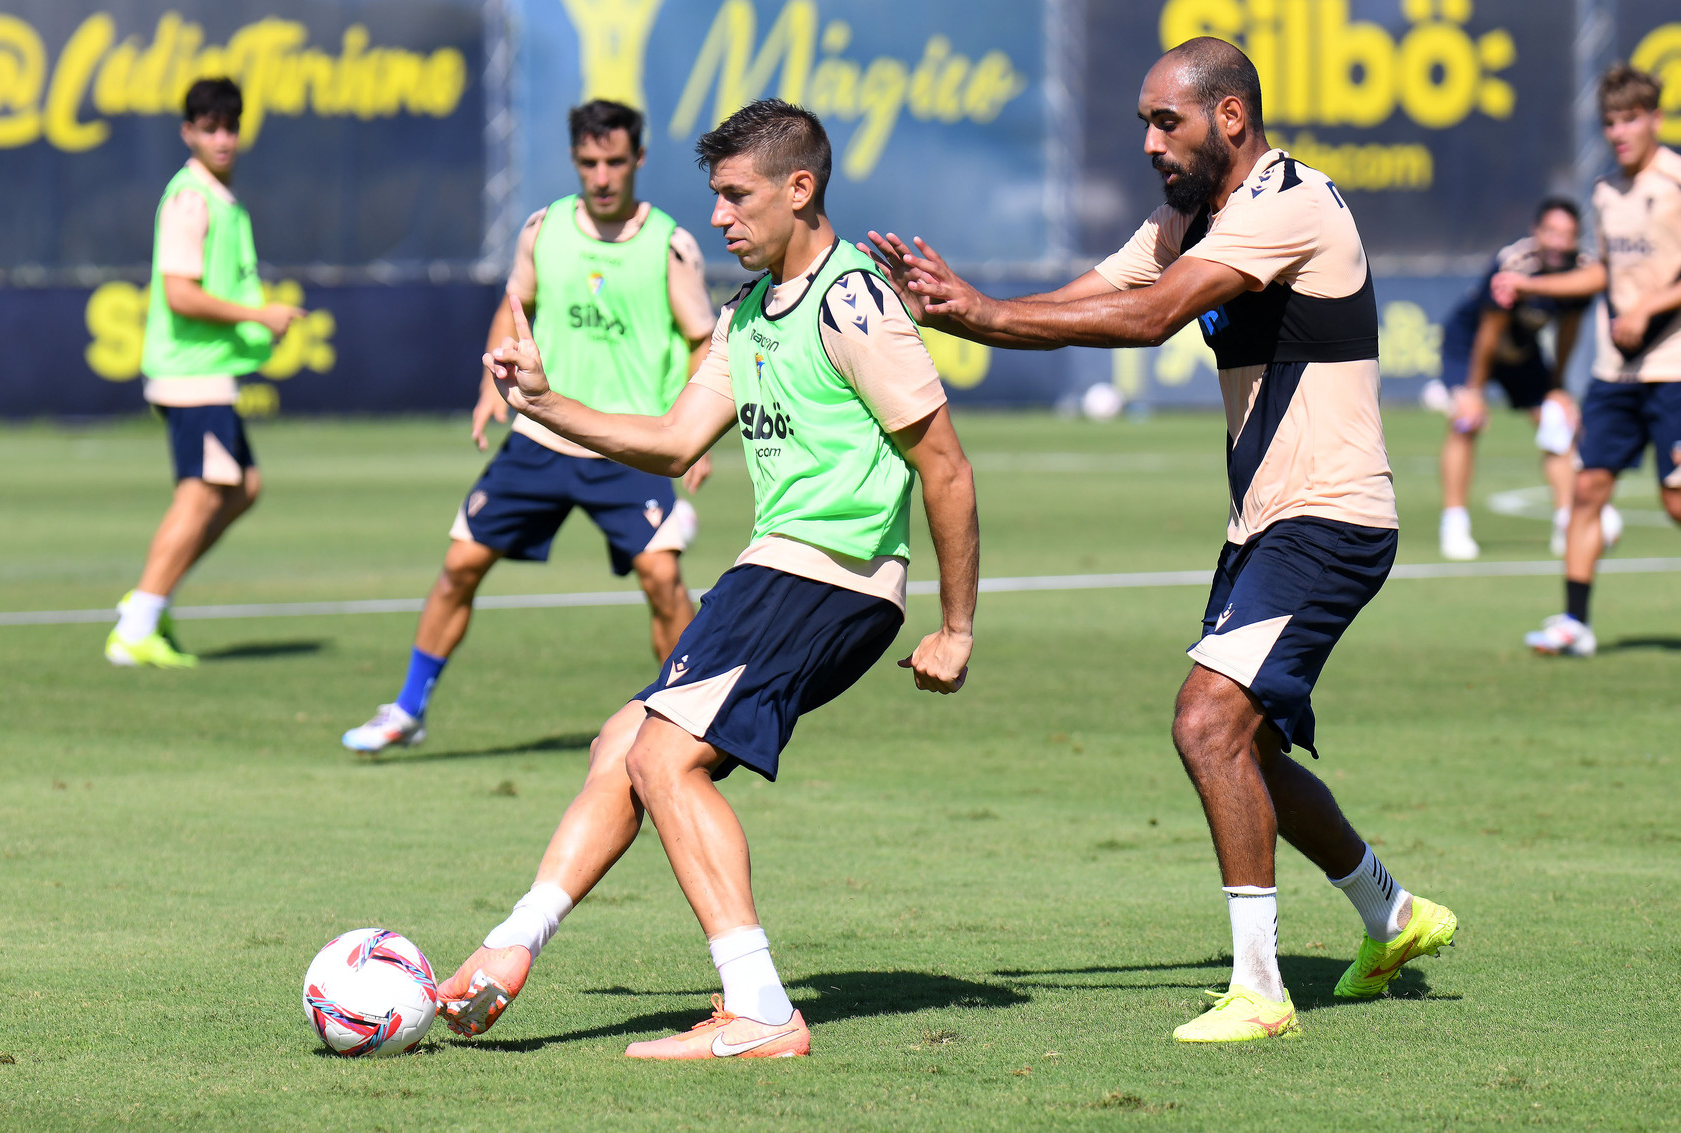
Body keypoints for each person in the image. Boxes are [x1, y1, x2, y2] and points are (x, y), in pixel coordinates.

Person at [866, 38, 1454, 1043]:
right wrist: (966, 314)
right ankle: (1391, 912)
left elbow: (1148, 318)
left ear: (1230, 116)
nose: (1147, 142)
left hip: (1329, 519)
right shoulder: (1191, 214)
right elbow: (1088, 297)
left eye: (1164, 121)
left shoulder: (1289, 202)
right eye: (1142, 122)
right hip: (1265, 525)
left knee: (1203, 723)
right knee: (1247, 748)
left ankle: (1260, 990)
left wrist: (984, 312)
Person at [433, 100, 979, 1059]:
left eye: (736, 195)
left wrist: (956, 625)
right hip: (773, 571)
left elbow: (946, 465)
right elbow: (673, 439)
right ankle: (512, 942)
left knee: (662, 758)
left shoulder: (852, 301)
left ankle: (760, 1008)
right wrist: (543, 402)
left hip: (830, 573)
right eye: (715, 196)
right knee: (623, 742)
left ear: (799, 189)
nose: (719, 216)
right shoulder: (747, 313)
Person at [342, 100, 716, 752]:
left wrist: (697, 429)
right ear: (575, 160)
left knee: (662, 580)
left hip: (628, 445)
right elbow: (516, 307)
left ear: (638, 160)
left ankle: (690, 722)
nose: (602, 176)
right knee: (460, 564)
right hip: (541, 438)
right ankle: (407, 709)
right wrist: (490, 384)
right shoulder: (543, 230)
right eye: (589, 162)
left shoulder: (670, 245)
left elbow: (702, 340)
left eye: (615, 161)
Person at [106, 78, 304, 668]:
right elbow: (180, 294)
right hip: (190, 373)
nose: (222, 139)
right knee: (201, 495)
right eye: (210, 128)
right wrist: (259, 315)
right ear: (188, 132)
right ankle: (138, 623)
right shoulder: (191, 199)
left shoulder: (219, 196)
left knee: (242, 488)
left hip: (211, 371)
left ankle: (150, 597)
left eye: (230, 127)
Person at [1498, 64, 1681, 658]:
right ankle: (1574, 623)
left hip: (1673, 368)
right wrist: (1532, 285)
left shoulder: (1675, 181)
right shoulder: (1605, 192)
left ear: (1655, 119)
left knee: (1676, 501)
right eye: (1610, 122)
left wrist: (1647, 307)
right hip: (1615, 372)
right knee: (1587, 489)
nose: (1619, 132)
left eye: (1630, 119)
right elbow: (1604, 272)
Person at [1437, 199, 1612, 561]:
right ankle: (1454, 523)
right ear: (1536, 232)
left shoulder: (1580, 271)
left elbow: (1568, 332)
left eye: (1567, 235)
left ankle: (1567, 523)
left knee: (1556, 421)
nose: (1559, 243)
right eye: (1552, 233)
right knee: (1466, 422)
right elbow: (1488, 333)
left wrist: (1557, 387)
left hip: (1521, 348)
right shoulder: (1514, 264)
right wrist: (1473, 392)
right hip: (1472, 345)